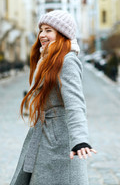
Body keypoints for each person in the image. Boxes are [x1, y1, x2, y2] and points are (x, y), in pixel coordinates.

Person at [10, 10, 96, 185]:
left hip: (59, 144)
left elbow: (75, 104)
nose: (42, 34)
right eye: (41, 30)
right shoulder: (48, 58)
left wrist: (80, 140)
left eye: (48, 30)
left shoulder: (67, 61)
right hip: (45, 138)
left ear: (62, 33)